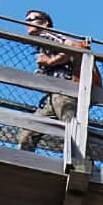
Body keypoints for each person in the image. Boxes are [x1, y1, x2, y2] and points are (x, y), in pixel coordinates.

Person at [18, 8, 87, 151]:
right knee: (28, 132)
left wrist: (50, 62)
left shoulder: (47, 35)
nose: (28, 23)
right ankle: (24, 160)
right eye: (26, 21)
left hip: (64, 92)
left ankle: (82, 160)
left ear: (44, 23)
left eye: (32, 19)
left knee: (70, 127)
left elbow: (71, 46)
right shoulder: (41, 43)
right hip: (53, 95)